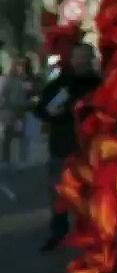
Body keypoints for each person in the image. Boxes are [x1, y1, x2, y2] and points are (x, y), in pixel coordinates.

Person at [32, 43, 102, 253]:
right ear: (71, 59)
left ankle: (92, 233)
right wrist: (52, 114)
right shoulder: (60, 84)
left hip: (90, 149)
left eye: (84, 57)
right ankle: (59, 232)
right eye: (77, 57)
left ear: (91, 59)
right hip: (62, 146)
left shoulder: (99, 84)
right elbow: (40, 109)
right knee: (59, 192)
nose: (80, 61)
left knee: (92, 195)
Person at [0, 56, 36, 165]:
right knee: (7, 136)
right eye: (19, 64)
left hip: (25, 111)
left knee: (24, 136)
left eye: (24, 65)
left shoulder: (31, 79)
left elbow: (35, 95)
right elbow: (4, 94)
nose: (21, 67)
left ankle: (23, 160)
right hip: (10, 112)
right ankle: (6, 160)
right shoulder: (9, 79)